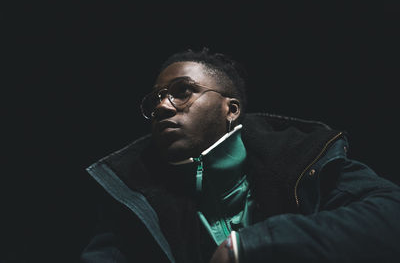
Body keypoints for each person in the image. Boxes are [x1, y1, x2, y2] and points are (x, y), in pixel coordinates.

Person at [80, 48, 400, 263]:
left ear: (230, 109)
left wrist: (250, 246)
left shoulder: (301, 157)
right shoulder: (134, 201)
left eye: (182, 91)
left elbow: (390, 216)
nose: (162, 107)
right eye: (156, 101)